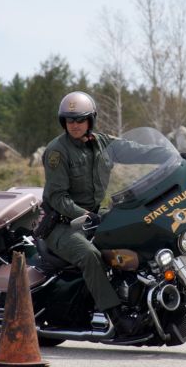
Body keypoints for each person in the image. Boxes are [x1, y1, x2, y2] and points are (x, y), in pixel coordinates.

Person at [41, 91, 170, 337]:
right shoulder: (57, 152)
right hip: (62, 224)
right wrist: (85, 215)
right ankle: (117, 316)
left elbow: (135, 150)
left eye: (80, 119)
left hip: (93, 217)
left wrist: (174, 155)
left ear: (91, 120)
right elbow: (58, 197)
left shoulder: (102, 143)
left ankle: (142, 297)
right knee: (90, 255)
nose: (75, 125)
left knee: (138, 228)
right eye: (70, 120)